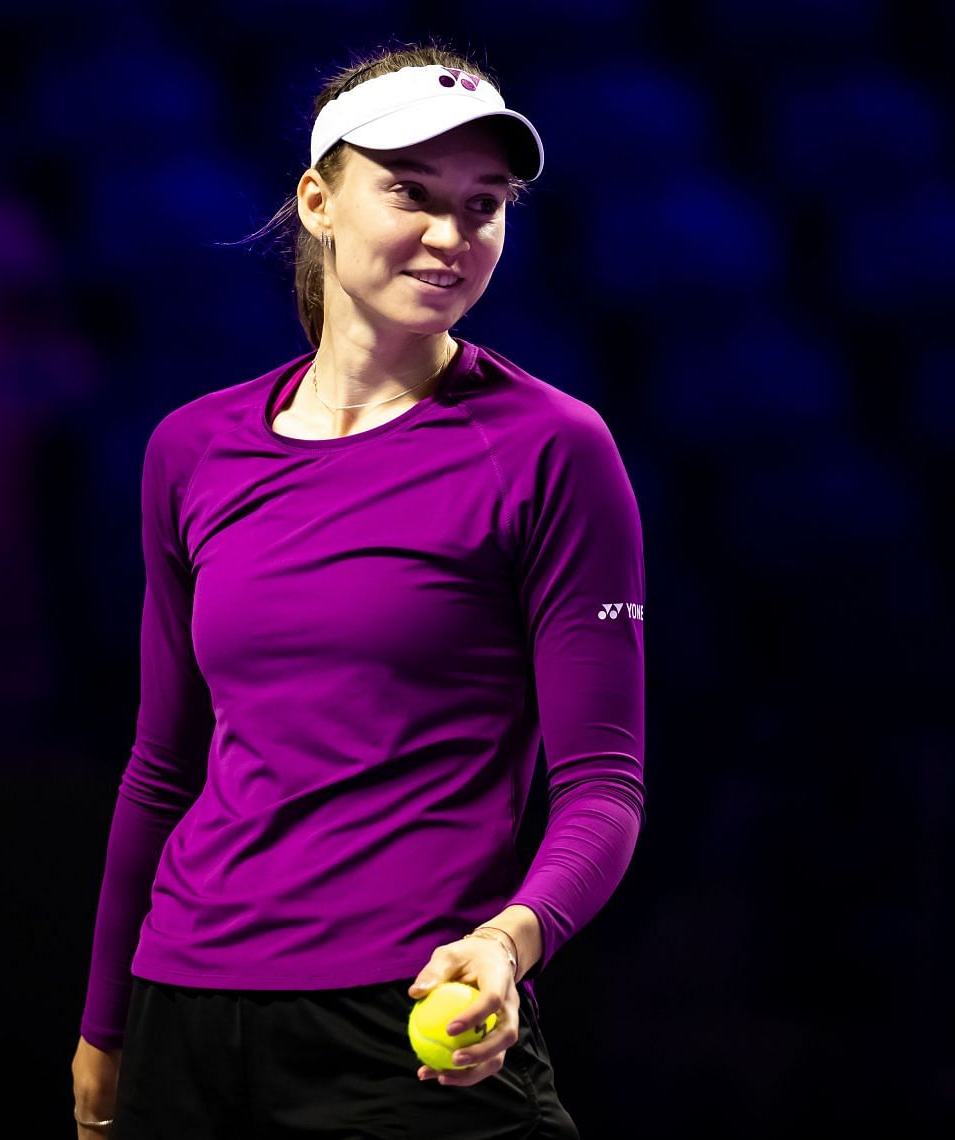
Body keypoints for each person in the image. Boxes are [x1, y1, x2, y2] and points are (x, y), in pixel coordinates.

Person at [70, 42, 646, 1138]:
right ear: (319, 201)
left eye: (484, 205)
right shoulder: (191, 451)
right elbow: (161, 766)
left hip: (415, 1017)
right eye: (411, 194)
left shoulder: (555, 451)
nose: (449, 236)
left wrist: (508, 942)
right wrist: (105, 1029)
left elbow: (605, 786)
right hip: (184, 1020)